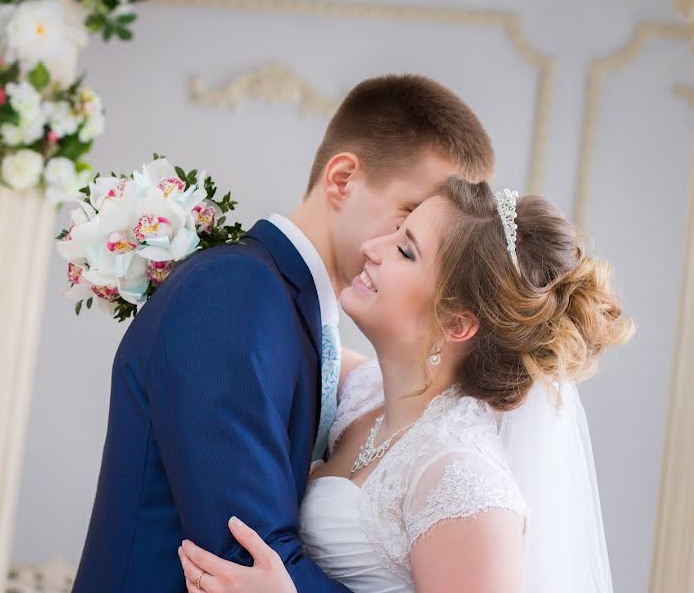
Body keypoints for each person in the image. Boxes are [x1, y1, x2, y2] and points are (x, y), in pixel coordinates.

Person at [70, 74, 495, 592]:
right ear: (342, 179)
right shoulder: (233, 291)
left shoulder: (309, 322)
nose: (401, 245)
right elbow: (244, 554)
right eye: (408, 218)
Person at [178, 178, 633, 592]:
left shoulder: (465, 484)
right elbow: (267, 340)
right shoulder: (366, 393)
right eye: (397, 231)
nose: (373, 246)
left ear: (456, 322)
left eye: (406, 251)